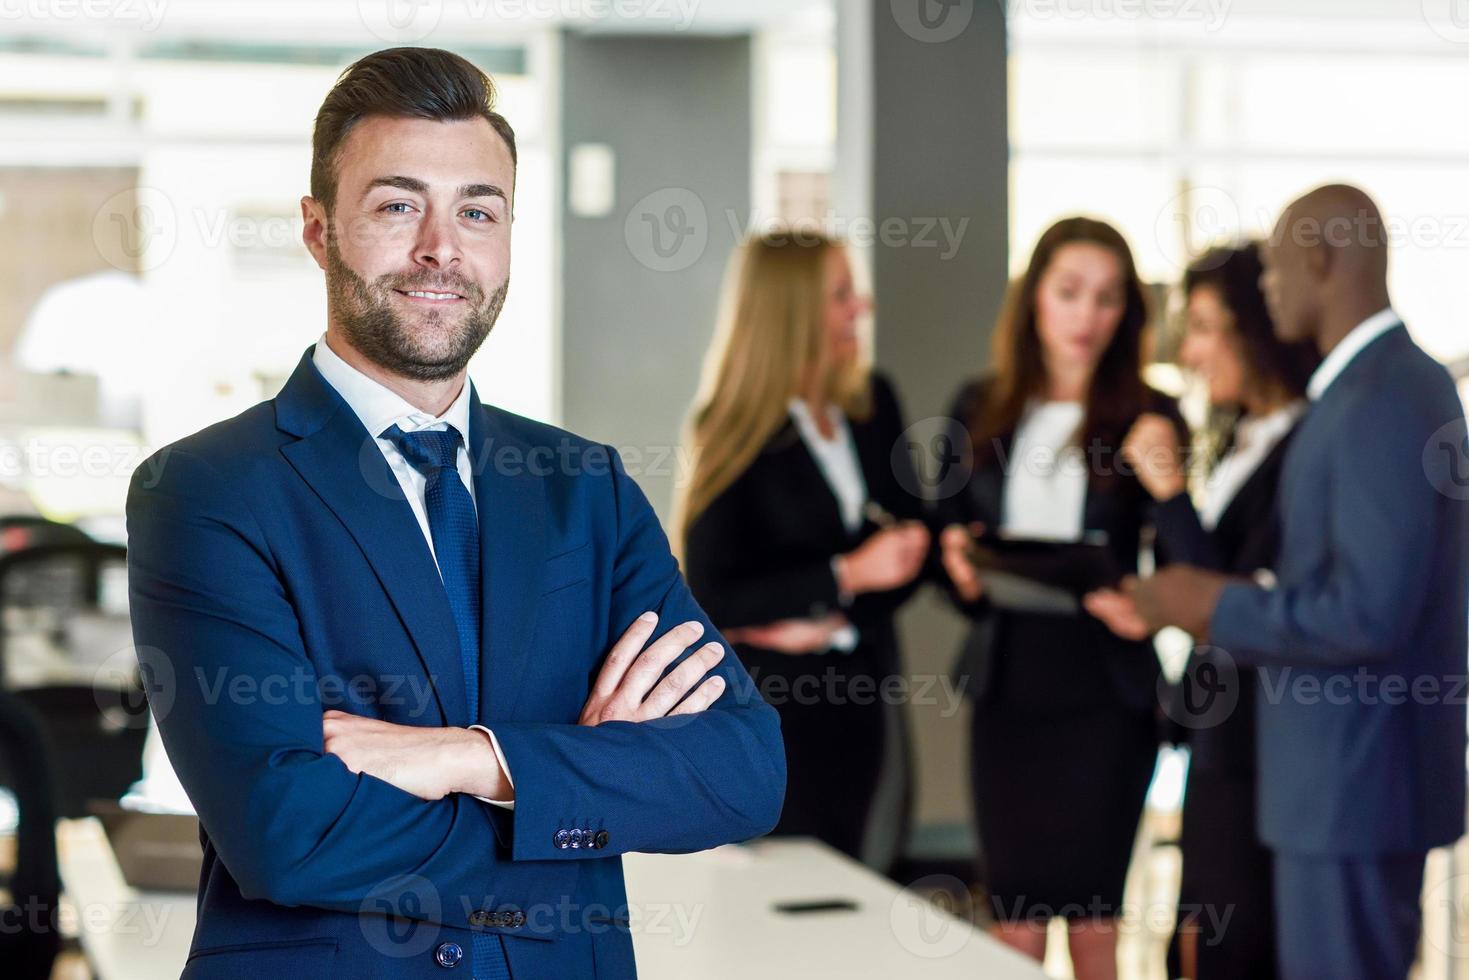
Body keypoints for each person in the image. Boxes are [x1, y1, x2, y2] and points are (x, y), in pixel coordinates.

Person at [125, 47, 784, 980]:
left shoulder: (584, 488)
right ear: (317, 230)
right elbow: (285, 832)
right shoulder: (206, 490)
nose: (442, 248)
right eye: (397, 206)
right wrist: (579, 790)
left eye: (478, 211)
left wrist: (470, 758)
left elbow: (741, 773)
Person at [1119, 184, 1469, 980]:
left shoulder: (1381, 397)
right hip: (1337, 783)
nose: (1267, 289)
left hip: (1352, 786)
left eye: (1274, 271)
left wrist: (1210, 603)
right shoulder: (1365, 391)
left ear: (1319, 260)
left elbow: (1367, 613)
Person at [934, 216, 1183, 980]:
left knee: (1095, 923)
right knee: (1012, 919)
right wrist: (959, 570)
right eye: (1069, 292)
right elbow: (945, 547)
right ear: (1033, 298)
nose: (1086, 316)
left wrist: (1145, 597)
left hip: (1105, 691)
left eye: (1107, 298)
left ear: (1128, 314)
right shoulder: (978, 409)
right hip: (1009, 687)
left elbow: (1184, 564)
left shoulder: (1149, 413)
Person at [1086, 242, 1318, 979]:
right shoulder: (1237, 435)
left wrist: (1169, 493)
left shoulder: (1306, 445)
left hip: (1262, 739)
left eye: (1205, 327)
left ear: (1258, 327)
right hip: (1216, 734)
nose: (1187, 352)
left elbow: (1232, 596)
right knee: (1195, 941)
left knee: (1225, 944)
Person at [677, 231, 929, 870]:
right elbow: (709, 592)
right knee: (787, 894)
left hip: (865, 691)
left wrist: (841, 605)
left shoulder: (874, 406)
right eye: (842, 294)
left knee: (865, 877)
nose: (861, 309)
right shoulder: (731, 428)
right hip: (773, 706)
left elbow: (910, 545)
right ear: (793, 311)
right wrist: (845, 574)